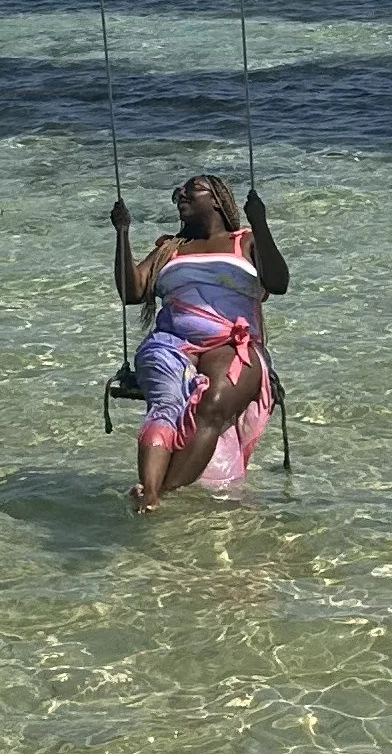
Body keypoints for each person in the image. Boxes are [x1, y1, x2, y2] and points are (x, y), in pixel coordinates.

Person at [109, 168, 290, 511]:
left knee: (213, 403)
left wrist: (260, 222)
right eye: (179, 191)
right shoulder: (170, 249)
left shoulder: (246, 241)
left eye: (194, 190)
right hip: (171, 341)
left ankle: (159, 492)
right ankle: (149, 492)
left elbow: (279, 282)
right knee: (167, 404)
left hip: (233, 343)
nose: (182, 195)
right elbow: (132, 291)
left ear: (220, 200)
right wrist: (122, 233)